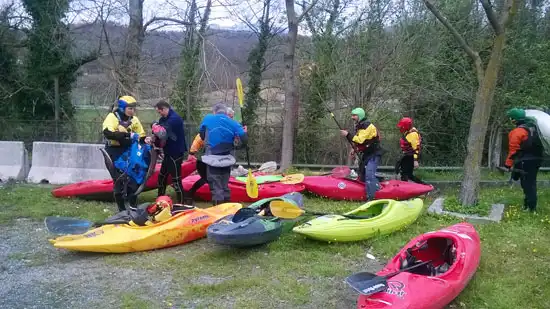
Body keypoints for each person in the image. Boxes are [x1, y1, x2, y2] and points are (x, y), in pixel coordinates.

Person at [187, 107, 246, 203]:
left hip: (213, 158)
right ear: (226, 114)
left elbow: (201, 136)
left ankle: (220, 206)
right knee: (220, 183)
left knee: (216, 184)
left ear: (215, 112)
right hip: (222, 158)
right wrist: (192, 152)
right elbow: (244, 139)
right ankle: (225, 205)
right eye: (230, 116)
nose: (230, 118)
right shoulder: (232, 124)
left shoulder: (210, 121)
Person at [102, 95, 151, 211]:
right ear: (123, 108)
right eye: (130, 108)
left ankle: (133, 206)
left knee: (134, 178)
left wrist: (146, 139)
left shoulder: (134, 119)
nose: (133, 111)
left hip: (129, 151)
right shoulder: (112, 117)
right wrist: (128, 135)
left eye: (134, 109)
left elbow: (141, 135)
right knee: (118, 179)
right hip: (114, 151)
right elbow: (108, 133)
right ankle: (121, 210)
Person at [504, 108, 543, 212]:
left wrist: (508, 164)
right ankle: (528, 205)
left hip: (525, 161)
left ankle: (531, 208)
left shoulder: (517, 132)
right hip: (537, 159)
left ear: (514, 120)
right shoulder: (533, 128)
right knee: (530, 182)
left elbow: (513, 151)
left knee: (527, 184)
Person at [340, 107, 382, 201]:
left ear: (360, 116)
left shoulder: (366, 125)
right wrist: (354, 149)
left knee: (369, 175)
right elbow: (361, 142)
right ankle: (369, 190)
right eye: (352, 115)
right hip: (367, 154)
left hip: (374, 154)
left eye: (354, 115)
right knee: (362, 175)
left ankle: (371, 198)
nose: (352, 117)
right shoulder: (360, 125)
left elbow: (360, 139)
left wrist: (347, 134)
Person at [153, 100, 191, 205]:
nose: (159, 114)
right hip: (167, 152)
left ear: (164, 109)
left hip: (175, 152)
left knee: (176, 180)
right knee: (162, 178)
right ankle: (160, 201)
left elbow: (162, 133)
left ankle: (182, 203)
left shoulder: (175, 119)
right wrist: (156, 144)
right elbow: (158, 136)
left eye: (159, 111)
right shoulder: (163, 119)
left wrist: (154, 126)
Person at [396, 117, 426, 184]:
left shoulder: (413, 134)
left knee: (406, 174)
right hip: (406, 156)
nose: (400, 128)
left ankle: (424, 186)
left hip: (410, 157)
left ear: (406, 126)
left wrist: (415, 160)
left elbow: (416, 148)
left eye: (402, 126)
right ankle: (423, 185)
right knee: (403, 172)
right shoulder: (407, 132)